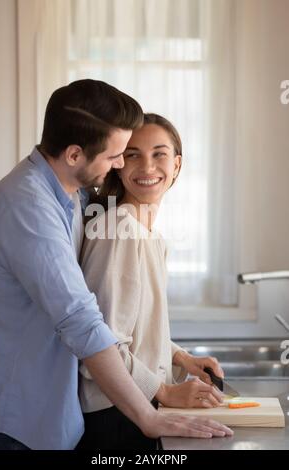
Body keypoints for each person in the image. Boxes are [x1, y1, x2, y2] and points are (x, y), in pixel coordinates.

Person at [0, 81, 233, 450]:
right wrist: (154, 407)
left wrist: (178, 357)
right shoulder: (29, 206)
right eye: (117, 155)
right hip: (19, 422)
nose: (121, 164)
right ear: (74, 155)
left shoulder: (72, 196)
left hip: (54, 417)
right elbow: (85, 322)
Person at [79, 113, 229, 450]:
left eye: (159, 154)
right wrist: (164, 390)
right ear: (118, 163)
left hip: (132, 408)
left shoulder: (150, 235)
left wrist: (181, 358)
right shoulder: (118, 229)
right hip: (114, 414)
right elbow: (102, 341)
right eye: (133, 154)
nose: (147, 167)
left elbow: (135, 329)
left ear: (176, 165)